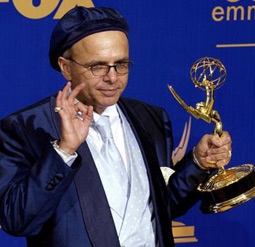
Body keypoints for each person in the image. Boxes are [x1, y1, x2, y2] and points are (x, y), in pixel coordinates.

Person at [0, 6, 232, 247]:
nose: (113, 78)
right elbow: (17, 221)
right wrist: (64, 151)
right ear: (66, 67)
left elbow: (159, 209)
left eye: (121, 64)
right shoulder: (26, 128)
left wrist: (197, 163)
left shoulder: (151, 118)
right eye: (98, 66)